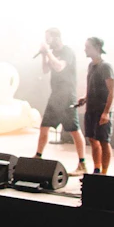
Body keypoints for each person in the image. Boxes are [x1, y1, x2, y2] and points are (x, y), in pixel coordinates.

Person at [31, 28, 82, 167]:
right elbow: (46, 70)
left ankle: (82, 162)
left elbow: (59, 67)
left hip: (67, 95)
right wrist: (44, 55)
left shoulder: (67, 52)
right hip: (56, 95)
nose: (47, 41)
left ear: (56, 38)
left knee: (74, 129)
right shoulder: (52, 53)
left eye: (48, 38)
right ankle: (38, 155)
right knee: (44, 126)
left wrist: (47, 52)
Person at [80, 37, 114, 174]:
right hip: (91, 109)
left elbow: (111, 91)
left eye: (87, 47)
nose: (85, 49)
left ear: (96, 48)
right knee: (92, 140)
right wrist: (85, 98)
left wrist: (106, 112)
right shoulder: (91, 66)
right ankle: (96, 168)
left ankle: (104, 172)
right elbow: (93, 87)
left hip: (102, 109)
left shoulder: (106, 67)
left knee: (104, 141)